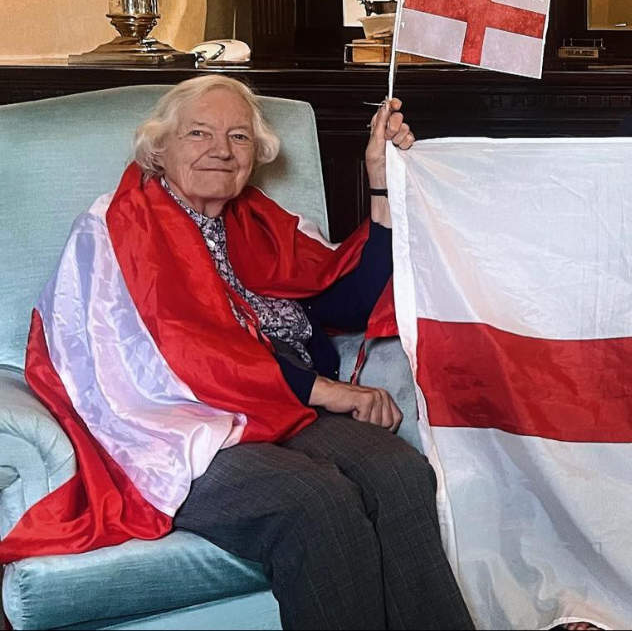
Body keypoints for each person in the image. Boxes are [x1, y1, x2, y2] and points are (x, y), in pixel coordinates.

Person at [10, 75, 474, 630]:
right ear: (159, 149)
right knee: (311, 501)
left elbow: (346, 302)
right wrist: (327, 390)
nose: (221, 151)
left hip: (277, 403)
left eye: (238, 137)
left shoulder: (256, 221)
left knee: (400, 473)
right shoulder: (117, 225)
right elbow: (182, 348)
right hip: (177, 427)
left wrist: (380, 183)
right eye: (199, 133)